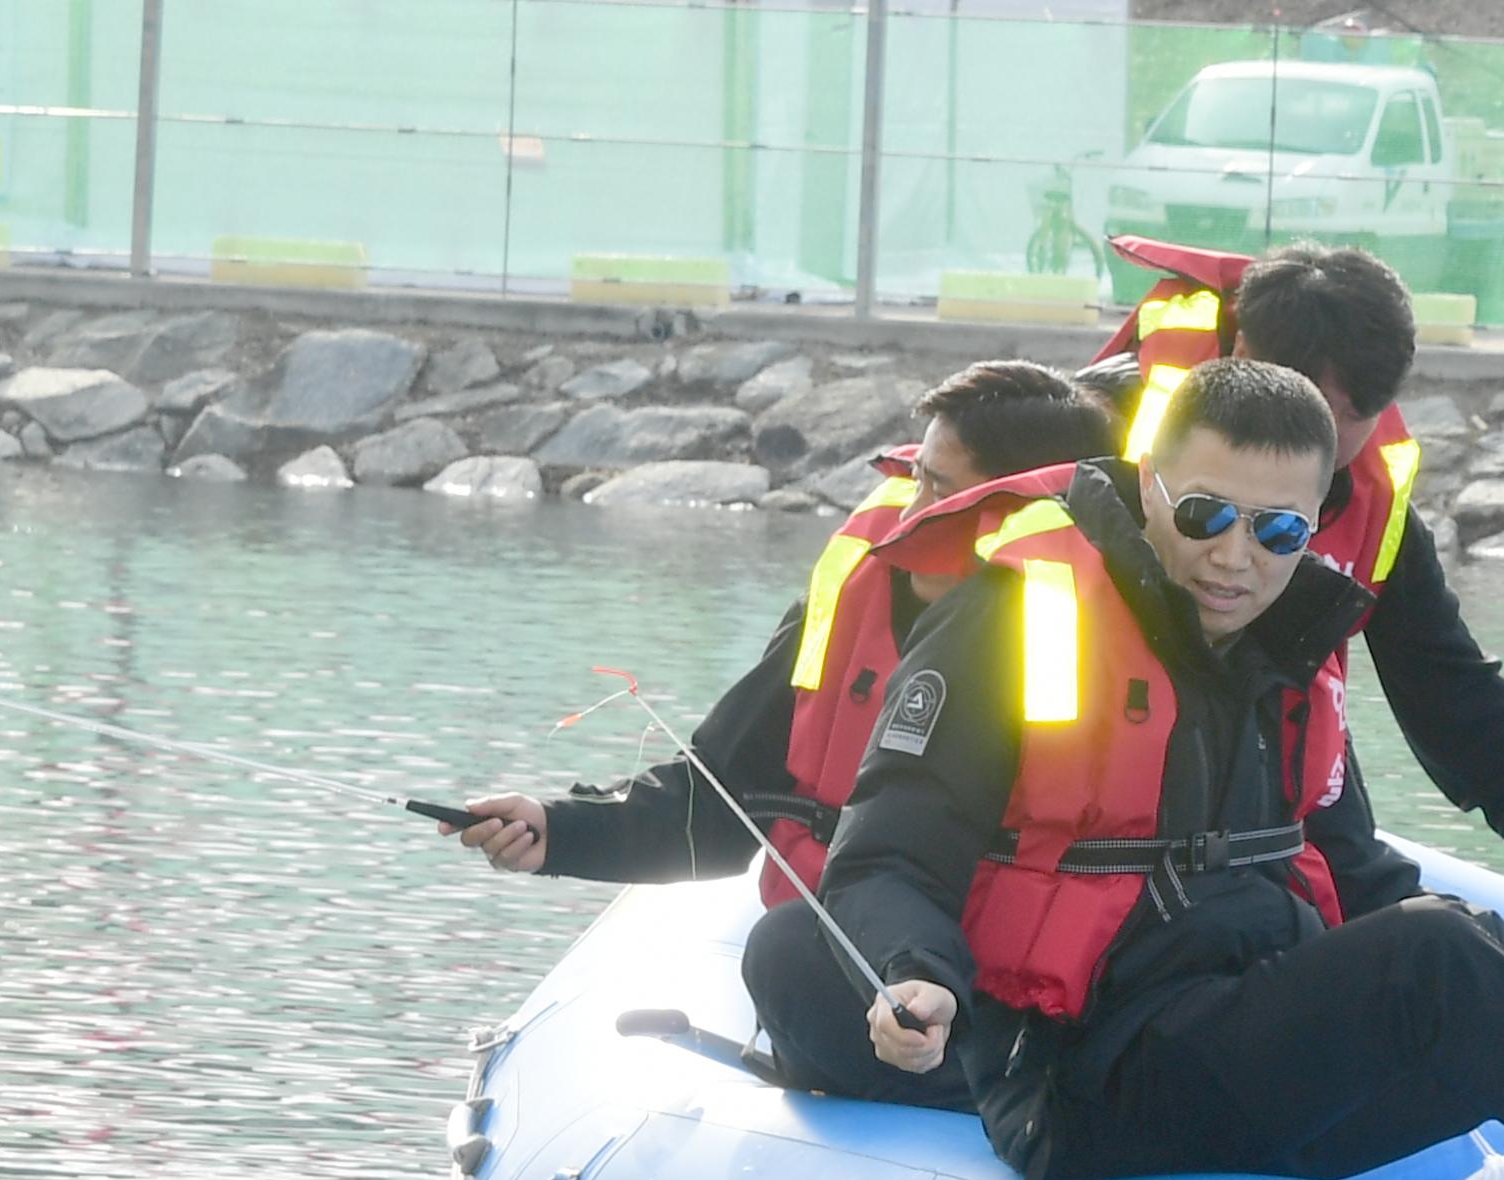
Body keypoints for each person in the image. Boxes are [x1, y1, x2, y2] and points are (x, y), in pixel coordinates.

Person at [752, 355, 1504, 1180]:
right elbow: (892, 846)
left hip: (1225, 1010)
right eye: (1205, 514)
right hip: (1083, 1071)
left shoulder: (1285, 644)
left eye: (1278, 527)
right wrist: (918, 976)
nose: (1235, 555)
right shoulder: (1020, 616)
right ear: (1149, 483)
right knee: (1433, 956)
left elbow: (1341, 861)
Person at [1085, 237, 1504, 942]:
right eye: (1207, 516)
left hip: (1275, 763)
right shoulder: (1101, 432)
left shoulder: (1372, 498)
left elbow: (1448, 682)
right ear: (1246, 355)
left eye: (1362, 413)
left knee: (1425, 929)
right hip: (1105, 785)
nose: (1336, 440)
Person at [448, 359, 1107, 898]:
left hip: (1019, 1000)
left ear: (1031, 513)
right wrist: (555, 831)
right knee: (785, 954)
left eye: (942, 493)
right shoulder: (849, 607)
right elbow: (721, 799)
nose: (910, 516)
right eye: (914, 482)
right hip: (852, 969)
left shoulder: (1128, 651)